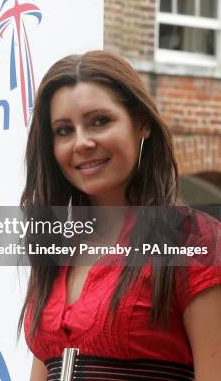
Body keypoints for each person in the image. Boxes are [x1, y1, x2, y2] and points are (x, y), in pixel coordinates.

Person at [19, 51, 221, 380]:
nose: (82, 142)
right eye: (64, 130)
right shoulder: (54, 247)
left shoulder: (194, 239)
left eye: (100, 121)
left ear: (141, 122)